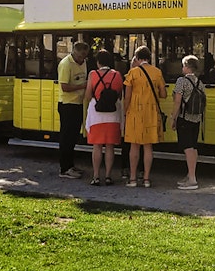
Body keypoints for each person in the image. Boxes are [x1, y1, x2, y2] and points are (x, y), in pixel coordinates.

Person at [123, 45, 165, 188]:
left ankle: (133, 178)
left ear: (137, 58)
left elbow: (127, 96)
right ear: (148, 57)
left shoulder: (132, 73)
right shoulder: (157, 72)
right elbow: (163, 94)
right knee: (148, 147)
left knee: (134, 147)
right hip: (151, 113)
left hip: (135, 113)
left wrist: (125, 110)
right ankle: (146, 178)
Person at [84, 49, 124, 186]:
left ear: (98, 62)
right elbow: (119, 95)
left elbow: (88, 95)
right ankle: (108, 176)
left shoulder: (93, 74)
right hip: (113, 114)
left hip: (96, 114)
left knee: (97, 146)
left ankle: (96, 176)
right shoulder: (117, 75)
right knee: (110, 146)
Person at [171, 55, 205, 190]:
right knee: (193, 147)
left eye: (183, 65)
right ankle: (191, 174)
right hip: (196, 118)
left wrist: (173, 118)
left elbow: (177, 101)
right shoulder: (199, 82)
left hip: (184, 118)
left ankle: (192, 179)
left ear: (187, 66)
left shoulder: (181, 81)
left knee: (187, 147)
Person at [57, 41, 89, 179]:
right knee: (66, 137)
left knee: (74, 136)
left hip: (78, 103)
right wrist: (82, 86)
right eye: (80, 56)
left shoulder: (83, 62)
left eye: (84, 57)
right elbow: (64, 86)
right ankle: (64, 169)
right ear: (74, 52)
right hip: (67, 104)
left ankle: (70, 165)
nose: (82, 59)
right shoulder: (66, 64)